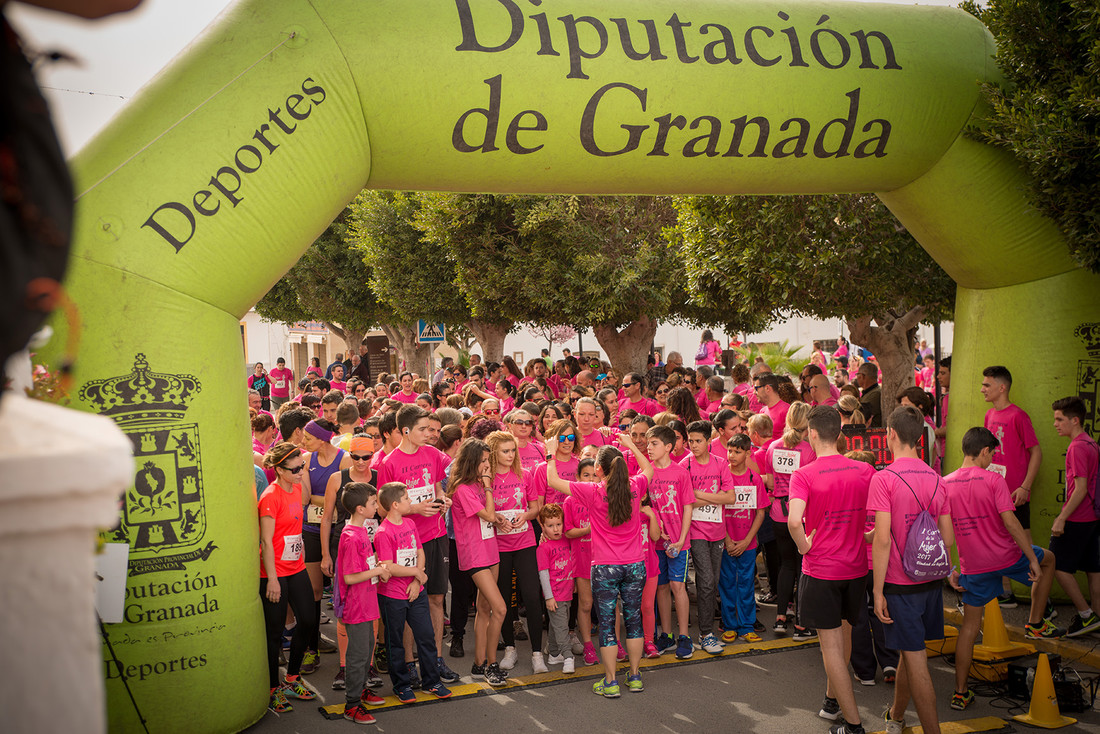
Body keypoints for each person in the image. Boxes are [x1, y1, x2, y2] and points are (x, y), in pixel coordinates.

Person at [945, 427, 1062, 715]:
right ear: (984, 451)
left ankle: (960, 693)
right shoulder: (994, 480)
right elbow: (1011, 524)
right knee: (1048, 559)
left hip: (973, 566)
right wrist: (1030, 559)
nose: (992, 457)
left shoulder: (944, 483)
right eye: (992, 453)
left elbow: (944, 530)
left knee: (970, 629)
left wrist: (950, 567)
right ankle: (1035, 622)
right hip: (1006, 557)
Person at [787, 406, 876, 734]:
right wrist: (867, 535)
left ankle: (853, 726)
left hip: (822, 570)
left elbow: (795, 521)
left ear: (811, 434)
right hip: (855, 569)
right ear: (840, 434)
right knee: (846, 633)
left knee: (831, 647)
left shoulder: (805, 474)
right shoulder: (864, 470)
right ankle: (831, 702)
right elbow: (882, 513)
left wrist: (804, 547)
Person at [546, 433, 654, 697]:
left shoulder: (593, 490)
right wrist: (630, 446)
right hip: (635, 565)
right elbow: (649, 468)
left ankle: (610, 681)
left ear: (598, 470)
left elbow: (553, 481)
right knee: (633, 619)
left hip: (605, 567)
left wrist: (550, 453)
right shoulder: (636, 485)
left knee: (607, 623)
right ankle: (636, 676)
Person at [870, 406, 954, 734]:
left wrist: (877, 591)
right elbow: (947, 537)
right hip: (931, 579)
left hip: (899, 582)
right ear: (921, 437)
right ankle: (896, 715)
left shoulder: (884, 478)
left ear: (890, 434)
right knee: (910, 651)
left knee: (917, 661)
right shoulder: (937, 478)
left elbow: (881, 540)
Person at [375, 405, 458, 683]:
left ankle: (434, 660)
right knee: (410, 602)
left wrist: (442, 499)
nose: (429, 434)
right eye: (423, 429)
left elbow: (437, 486)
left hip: (435, 538)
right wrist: (414, 510)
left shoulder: (433, 454)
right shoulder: (389, 463)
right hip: (405, 545)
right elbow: (383, 511)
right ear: (407, 430)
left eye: (430, 429)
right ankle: (409, 664)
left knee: (436, 599)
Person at [373, 483, 453, 703]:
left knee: (426, 636)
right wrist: (417, 572)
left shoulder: (409, 523)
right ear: (395, 505)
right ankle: (401, 685)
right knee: (395, 642)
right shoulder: (383, 532)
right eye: (407, 499)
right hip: (392, 595)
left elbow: (419, 551)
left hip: (415, 591)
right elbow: (389, 566)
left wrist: (417, 580)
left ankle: (432, 682)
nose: (412, 501)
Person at [258, 443, 318, 713]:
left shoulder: (296, 489)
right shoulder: (270, 497)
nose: (300, 472)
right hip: (274, 572)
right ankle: (273, 688)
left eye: (301, 466)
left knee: (308, 620)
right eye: (295, 469)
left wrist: (301, 551)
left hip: (296, 567)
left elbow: (295, 526)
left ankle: (292, 678)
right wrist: (271, 579)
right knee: (273, 633)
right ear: (280, 470)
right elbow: (267, 542)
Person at [447, 439, 509, 687]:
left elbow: (490, 517)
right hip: (475, 555)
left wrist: (496, 517)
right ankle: (491, 664)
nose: (487, 465)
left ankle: (478, 664)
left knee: (484, 611)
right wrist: (488, 488)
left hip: (491, 549)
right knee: (500, 609)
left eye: (487, 460)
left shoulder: (477, 486)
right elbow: (488, 513)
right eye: (483, 460)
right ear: (471, 461)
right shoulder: (464, 488)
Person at [485, 430, 545, 673]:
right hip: (498, 545)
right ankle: (510, 648)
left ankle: (537, 653)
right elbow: (483, 510)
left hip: (525, 541)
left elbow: (535, 507)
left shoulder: (525, 474)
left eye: (513, 451)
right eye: (505, 451)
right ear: (493, 453)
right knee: (504, 599)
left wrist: (526, 515)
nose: (511, 455)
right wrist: (496, 518)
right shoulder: (486, 479)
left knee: (531, 595)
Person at [337, 483, 391, 725]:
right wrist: (377, 570)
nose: (376, 507)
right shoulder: (350, 537)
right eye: (372, 503)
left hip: (366, 602)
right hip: (356, 605)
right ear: (360, 508)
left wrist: (375, 568)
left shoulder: (359, 531)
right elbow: (349, 577)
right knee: (358, 655)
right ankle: (352, 704)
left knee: (367, 647)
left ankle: (360, 688)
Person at [682, 420, 736, 654]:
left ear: (708, 441)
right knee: (704, 581)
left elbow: (730, 498)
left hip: (718, 531)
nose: (693, 445)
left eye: (698, 441)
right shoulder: (685, 465)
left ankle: (708, 631)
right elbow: (687, 501)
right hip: (695, 531)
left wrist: (700, 495)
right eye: (690, 441)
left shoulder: (721, 463)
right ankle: (706, 633)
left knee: (712, 582)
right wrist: (715, 496)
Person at [765, 402, 817, 635]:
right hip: (802, 514)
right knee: (802, 567)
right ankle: (801, 622)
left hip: (778, 512)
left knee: (786, 565)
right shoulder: (809, 450)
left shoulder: (773, 447)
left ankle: (779, 617)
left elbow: (769, 480)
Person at [1050, 396, 1100, 636]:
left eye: (1059, 419)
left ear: (1075, 420)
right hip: (1091, 516)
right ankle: (1096, 618)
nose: (1055, 424)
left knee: (1057, 564)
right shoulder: (1091, 443)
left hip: (1078, 517)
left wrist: (1062, 518)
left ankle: (1086, 616)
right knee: (1093, 569)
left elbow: (1080, 489)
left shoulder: (1078, 446)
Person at [645, 424, 695, 658]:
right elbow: (644, 506)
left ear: (668, 446)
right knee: (661, 588)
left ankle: (684, 636)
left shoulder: (680, 472)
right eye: (648, 444)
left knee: (678, 587)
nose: (649, 448)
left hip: (678, 542)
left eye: (654, 444)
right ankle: (667, 635)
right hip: (655, 543)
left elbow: (687, 508)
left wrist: (682, 538)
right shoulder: (646, 473)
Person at [719, 433, 767, 644]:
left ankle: (747, 625)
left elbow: (760, 512)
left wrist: (748, 540)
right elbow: (717, 509)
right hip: (726, 543)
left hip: (748, 544)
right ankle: (729, 625)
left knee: (746, 584)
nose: (732, 455)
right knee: (728, 584)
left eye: (737, 451)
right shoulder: (722, 476)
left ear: (748, 453)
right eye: (730, 450)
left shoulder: (753, 478)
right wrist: (727, 540)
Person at [537, 503, 576, 672]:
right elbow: (543, 574)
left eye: (558, 524)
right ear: (543, 526)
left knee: (557, 624)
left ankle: (553, 653)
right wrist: (549, 597)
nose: (555, 529)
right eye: (550, 526)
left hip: (567, 591)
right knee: (562, 627)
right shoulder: (543, 548)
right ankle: (568, 657)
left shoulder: (567, 539)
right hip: (555, 594)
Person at [755, 373, 789, 440]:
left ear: (767, 388)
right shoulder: (762, 411)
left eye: (756, 388)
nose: (754, 392)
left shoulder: (787, 410)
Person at [855, 362, 882, 428]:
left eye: (857, 374)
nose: (857, 378)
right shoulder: (872, 391)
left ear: (862, 376)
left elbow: (860, 416)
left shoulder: (875, 394)